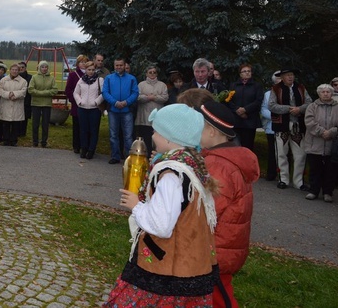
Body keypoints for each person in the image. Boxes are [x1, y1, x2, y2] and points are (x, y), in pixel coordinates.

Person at [104, 103, 218, 307]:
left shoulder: (170, 175)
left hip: (166, 270)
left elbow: (162, 225)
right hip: (191, 265)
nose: (153, 136)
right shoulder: (191, 165)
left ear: (168, 138)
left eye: (156, 131)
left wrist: (136, 205)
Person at [199, 100, 259, 308]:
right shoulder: (224, 159)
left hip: (215, 250)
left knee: (219, 299)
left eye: (199, 126)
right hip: (223, 247)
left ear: (212, 131)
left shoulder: (219, 166)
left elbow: (207, 210)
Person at [268, 68, 312, 190]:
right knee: (281, 153)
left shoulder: (301, 88)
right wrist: (289, 108)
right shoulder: (276, 89)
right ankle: (283, 179)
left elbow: (309, 103)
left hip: (298, 125)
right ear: (282, 77)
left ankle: (299, 182)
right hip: (281, 125)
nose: (290, 77)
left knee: (300, 154)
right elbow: (271, 106)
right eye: (287, 75)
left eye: (292, 75)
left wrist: (300, 109)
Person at [303, 84, 338, 202]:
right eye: (323, 92)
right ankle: (313, 191)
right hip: (314, 143)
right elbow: (309, 122)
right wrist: (322, 132)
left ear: (332, 93)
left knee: (330, 170)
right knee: (315, 169)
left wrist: (332, 132)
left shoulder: (337, 107)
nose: (325, 93)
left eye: (328, 91)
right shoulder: (312, 106)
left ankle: (328, 192)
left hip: (331, 144)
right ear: (319, 94)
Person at [103, 57, 139, 164]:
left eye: (120, 65)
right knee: (113, 135)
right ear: (114, 66)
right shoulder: (109, 78)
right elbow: (105, 92)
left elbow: (135, 93)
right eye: (116, 65)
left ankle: (129, 158)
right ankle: (115, 156)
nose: (118, 67)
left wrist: (126, 102)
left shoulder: (132, 78)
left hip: (127, 110)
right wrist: (115, 102)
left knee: (128, 136)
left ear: (124, 66)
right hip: (113, 110)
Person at [228, 63, 264, 152]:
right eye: (244, 71)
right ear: (240, 74)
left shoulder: (256, 86)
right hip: (236, 120)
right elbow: (228, 100)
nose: (247, 73)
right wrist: (237, 110)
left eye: (249, 71)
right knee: (235, 146)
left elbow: (258, 101)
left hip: (250, 120)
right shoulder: (234, 85)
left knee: (248, 147)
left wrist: (245, 110)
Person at [135, 65, 169, 155]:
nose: (152, 74)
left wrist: (154, 97)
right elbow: (137, 97)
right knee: (146, 140)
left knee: (157, 140)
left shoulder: (162, 85)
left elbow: (165, 98)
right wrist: (147, 98)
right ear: (146, 73)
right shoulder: (141, 85)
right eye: (150, 72)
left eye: (154, 72)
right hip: (144, 117)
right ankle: (145, 157)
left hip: (157, 118)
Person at [73, 60, 104, 159]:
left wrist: (96, 102)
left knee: (93, 130)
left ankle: (91, 150)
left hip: (94, 109)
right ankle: (84, 148)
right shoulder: (81, 80)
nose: (91, 71)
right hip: (82, 109)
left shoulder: (99, 80)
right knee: (83, 130)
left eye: (93, 69)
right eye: (89, 69)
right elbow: (76, 93)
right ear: (85, 70)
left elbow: (103, 93)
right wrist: (79, 101)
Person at [28, 60, 58, 148]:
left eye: (46, 67)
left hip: (46, 104)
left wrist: (41, 93)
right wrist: (44, 93)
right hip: (36, 104)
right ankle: (35, 141)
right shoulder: (34, 77)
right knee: (35, 124)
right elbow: (30, 89)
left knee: (45, 124)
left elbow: (55, 90)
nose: (44, 69)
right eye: (42, 67)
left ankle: (44, 141)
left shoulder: (52, 78)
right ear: (39, 68)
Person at [0, 64, 28, 146]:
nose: (14, 71)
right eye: (13, 69)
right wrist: (8, 94)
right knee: (6, 124)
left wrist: (14, 94)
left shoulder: (23, 81)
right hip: (6, 104)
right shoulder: (4, 80)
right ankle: (6, 140)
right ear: (10, 70)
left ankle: (14, 140)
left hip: (17, 104)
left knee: (15, 124)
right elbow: (0, 90)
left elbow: (23, 91)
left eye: (16, 70)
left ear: (18, 71)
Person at [64, 55, 89, 154]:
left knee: (86, 127)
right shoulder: (73, 75)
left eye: (85, 62)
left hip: (88, 105)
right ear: (78, 64)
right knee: (77, 126)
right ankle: (76, 146)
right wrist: (74, 100)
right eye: (81, 62)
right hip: (77, 104)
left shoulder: (90, 74)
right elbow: (68, 90)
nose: (83, 64)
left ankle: (85, 146)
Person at [260, 71, 280, 181]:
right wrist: (275, 117)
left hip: (286, 127)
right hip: (272, 126)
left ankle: (284, 176)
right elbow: (263, 109)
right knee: (272, 152)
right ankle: (271, 174)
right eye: (278, 81)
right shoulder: (268, 94)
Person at [17, 61, 33, 138]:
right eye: (19, 68)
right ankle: (16, 132)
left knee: (25, 118)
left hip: (26, 100)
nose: (21, 69)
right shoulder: (15, 76)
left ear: (25, 68)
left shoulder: (30, 77)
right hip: (17, 99)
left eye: (22, 67)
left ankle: (23, 133)